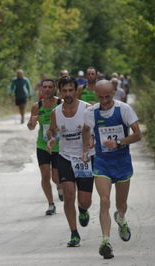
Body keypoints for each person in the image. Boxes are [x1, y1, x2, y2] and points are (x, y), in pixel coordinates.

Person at [82, 79, 141, 259]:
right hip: (102, 162)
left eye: (108, 96)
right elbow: (85, 130)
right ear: (96, 96)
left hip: (122, 162)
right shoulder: (91, 112)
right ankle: (105, 241)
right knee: (104, 200)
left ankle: (121, 219)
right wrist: (86, 147)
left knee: (120, 205)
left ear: (113, 93)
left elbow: (138, 135)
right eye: (101, 97)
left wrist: (119, 142)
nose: (105, 100)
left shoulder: (123, 109)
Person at [47, 76, 94, 247]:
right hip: (65, 157)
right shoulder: (55, 112)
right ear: (60, 91)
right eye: (64, 91)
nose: (68, 94)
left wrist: (92, 140)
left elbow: (96, 131)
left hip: (84, 158)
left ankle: (83, 210)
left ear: (76, 90)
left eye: (71, 90)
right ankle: (74, 233)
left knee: (84, 200)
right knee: (68, 195)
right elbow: (52, 131)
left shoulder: (87, 109)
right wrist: (52, 139)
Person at [27, 79, 63, 215]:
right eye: (44, 87)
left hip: (58, 146)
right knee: (45, 176)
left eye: (50, 87)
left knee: (56, 177)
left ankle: (60, 187)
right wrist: (32, 122)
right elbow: (30, 127)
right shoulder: (37, 106)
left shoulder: (61, 104)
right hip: (43, 145)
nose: (47, 89)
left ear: (54, 89)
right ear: (41, 89)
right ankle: (51, 204)